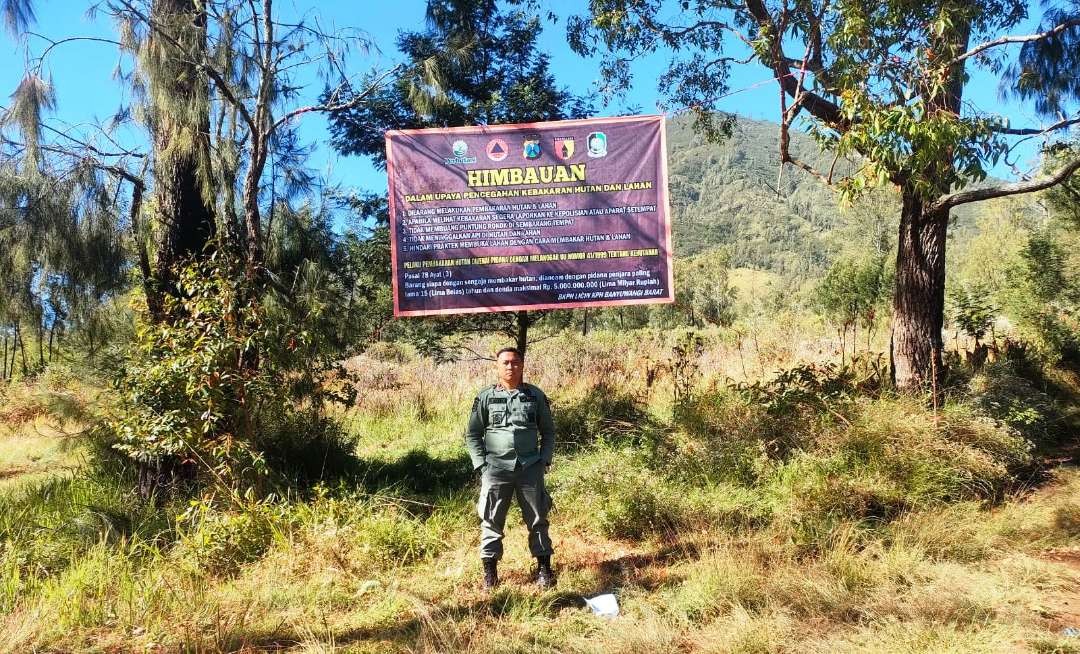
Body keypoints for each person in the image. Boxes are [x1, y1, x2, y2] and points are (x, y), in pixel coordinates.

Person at [465, 346, 556, 589]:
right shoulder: (485, 397)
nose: (510, 367)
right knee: (491, 520)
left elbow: (548, 431)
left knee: (537, 519)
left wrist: (544, 460)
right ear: (497, 366)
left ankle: (544, 569)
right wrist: (481, 465)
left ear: (522, 365)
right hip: (495, 468)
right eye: (505, 362)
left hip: (529, 467)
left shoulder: (535, 395)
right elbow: (473, 434)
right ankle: (490, 573)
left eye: (515, 362)